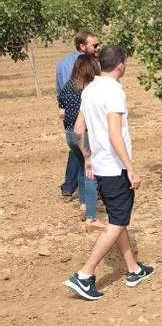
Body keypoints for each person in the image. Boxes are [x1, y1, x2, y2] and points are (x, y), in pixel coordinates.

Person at [65, 45, 153, 301]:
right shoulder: (114, 92)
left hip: (101, 167)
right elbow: (115, 135)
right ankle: (84, 274)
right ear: (120, 65)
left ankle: (134, 269)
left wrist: (88, 158)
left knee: (118, 218)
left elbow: (79, 128)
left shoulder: (90, 88)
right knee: (117, 223)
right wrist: (131, 168)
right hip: (116, 169)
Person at [58, 55, 105, 230]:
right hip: (83, 134)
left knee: (80, 167)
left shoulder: (67, 87)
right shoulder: (88, 90)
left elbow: (61, 111)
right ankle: (91, 216)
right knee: (91, 173)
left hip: (69, 134)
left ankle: (84, 204)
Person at [56, 31, 101, 198]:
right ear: (83, 46)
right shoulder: (86, 65)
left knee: (78, 154)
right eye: (95, 45)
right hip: (84, 121)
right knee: (88, 161)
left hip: (69, 119)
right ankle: (90, 203)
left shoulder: (62, 63)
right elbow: (86, 94)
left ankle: (69, 187)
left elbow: (60, 91)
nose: (98, 48)